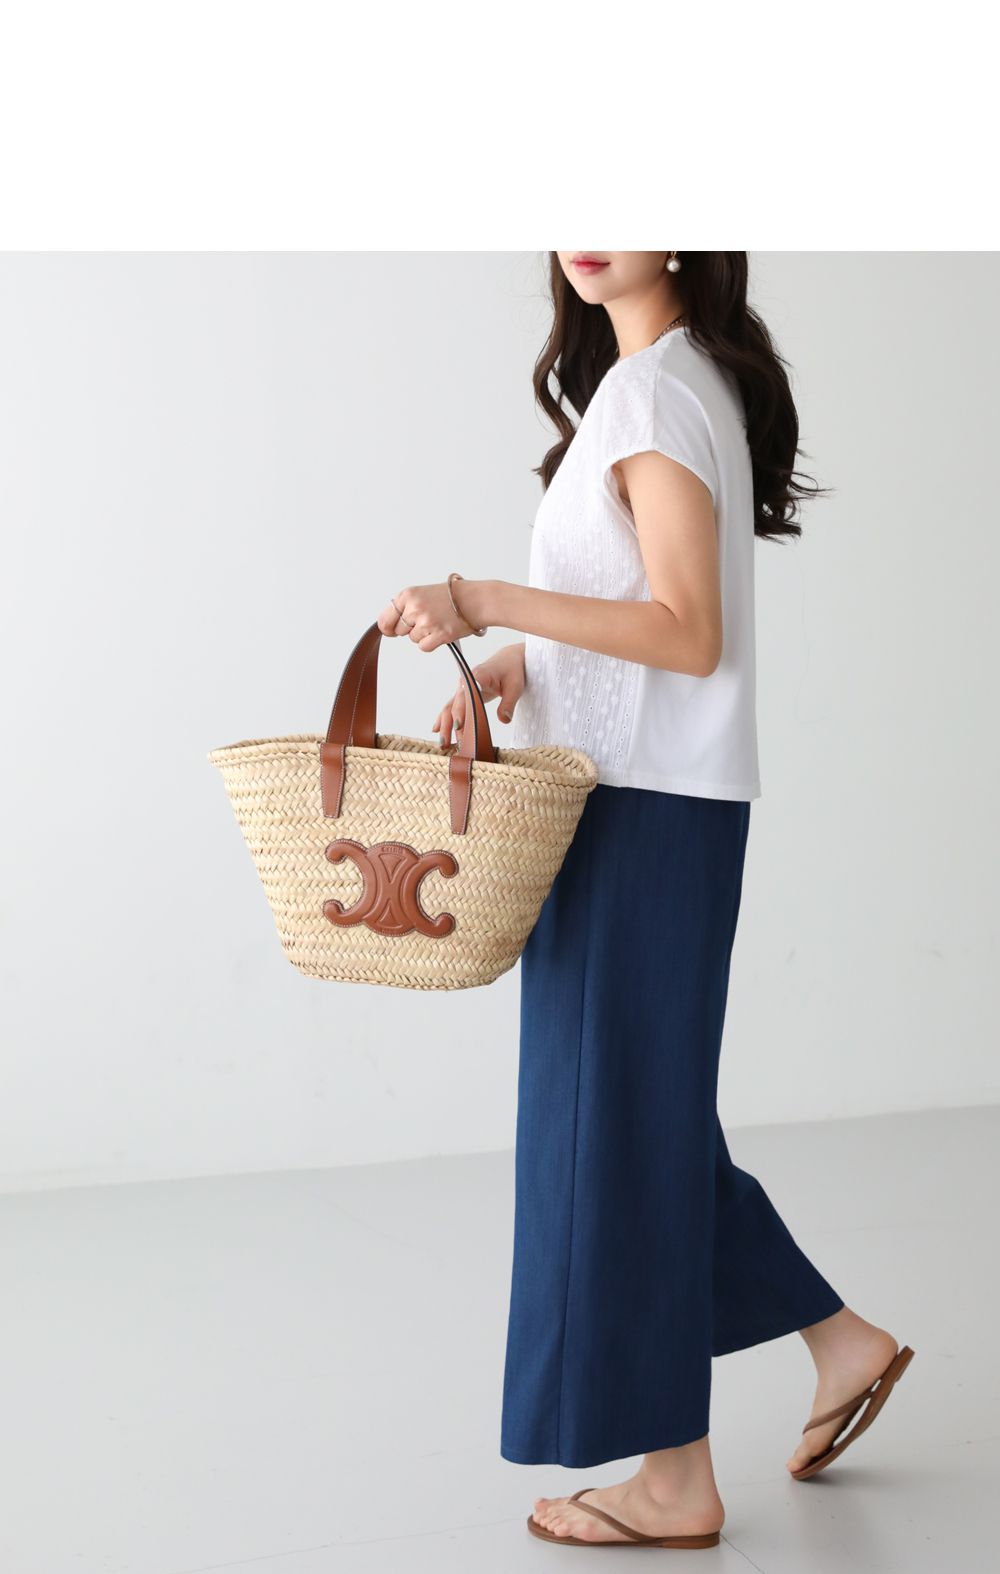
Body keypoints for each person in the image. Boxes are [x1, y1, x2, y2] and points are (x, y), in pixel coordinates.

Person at [377, 251, 912, 1550]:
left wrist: (481, 599)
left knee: (611, 1125)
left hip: (642, 810)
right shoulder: (660, 382)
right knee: (635, 1113)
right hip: (638, 798)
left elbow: (688, 630)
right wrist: (523, 661)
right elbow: (638, 605)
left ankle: (676, 1479)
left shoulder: (661, 396)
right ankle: (840, 1341)